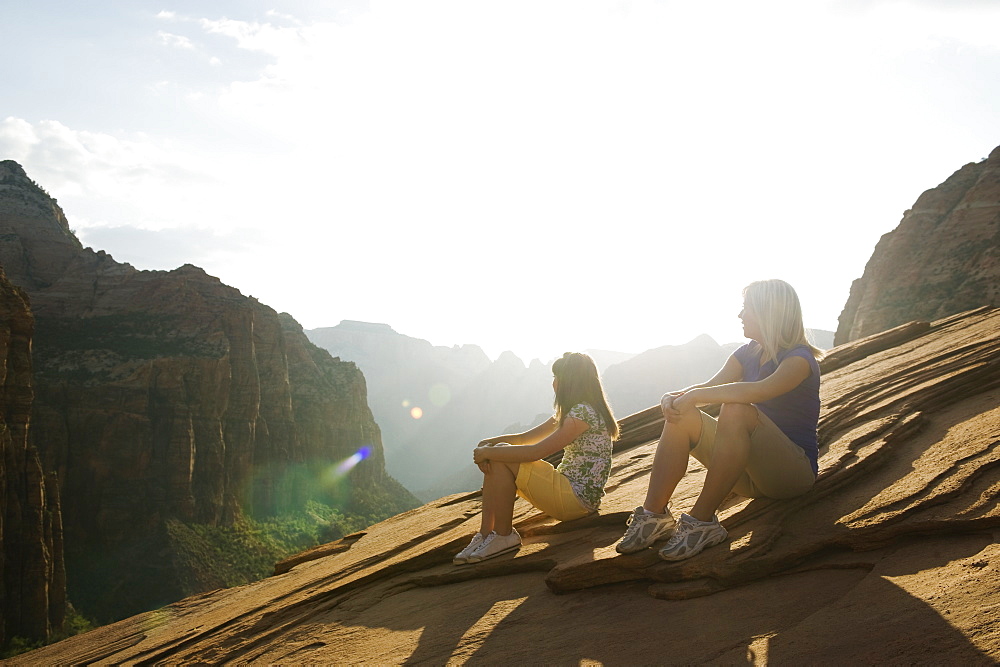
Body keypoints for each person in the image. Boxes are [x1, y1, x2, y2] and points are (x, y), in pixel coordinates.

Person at [615, 279, 821, 561]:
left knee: (736, 409)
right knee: (682, 414)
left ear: (767, 311)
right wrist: (673, 397)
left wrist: (696, 396)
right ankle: (654, 516)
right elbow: (709, 385)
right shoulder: (746, 353)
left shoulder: (799, 359)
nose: (740, 315)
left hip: (790, 476)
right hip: (748, 477)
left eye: (746, 308)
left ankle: (702, 522)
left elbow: (759, 390)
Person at [454, 352, 619, 565]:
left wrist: (488, 453)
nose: (554, 383)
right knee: (500, 455)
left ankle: (503, 535)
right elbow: (524, 438)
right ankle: (486, 534)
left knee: (500, 456)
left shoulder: (583, 413)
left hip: (576, 499)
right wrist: (490, 443)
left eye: (556, 377)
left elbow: (536, 452)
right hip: (570, 495)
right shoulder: (574, 411)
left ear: (570, 381)